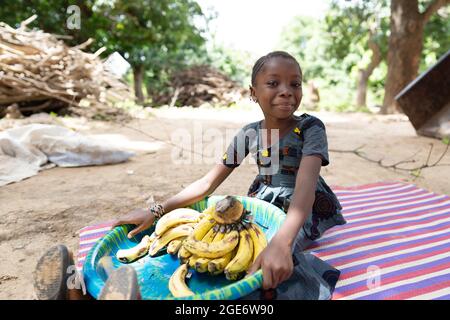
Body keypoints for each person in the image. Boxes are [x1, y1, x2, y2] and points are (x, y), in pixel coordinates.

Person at [34, 51, 345, 300]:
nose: (286, 92)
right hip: (263, 200)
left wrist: (281, 241)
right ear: (253, 93)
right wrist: (157, 210)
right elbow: (207, 183)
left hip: (299, 208)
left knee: (266, 264)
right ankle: (80, 291)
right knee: (208, 236)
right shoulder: (249, 134)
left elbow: (304, 191)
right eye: (273, 83)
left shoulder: (310, 127)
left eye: (295, 84)